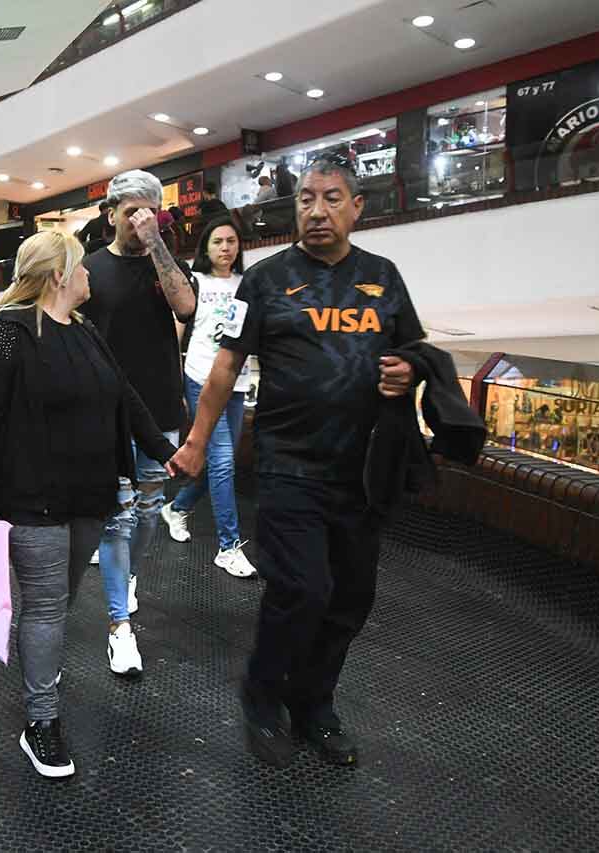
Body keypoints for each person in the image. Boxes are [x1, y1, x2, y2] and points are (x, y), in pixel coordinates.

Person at [168, 154, 422, 769]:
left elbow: (413, 349)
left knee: (350, 597)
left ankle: (315, 703)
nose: (316, 210)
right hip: (288, 466)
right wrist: (198, 441)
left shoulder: (384, 278)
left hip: (359, 471)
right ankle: (262, 696)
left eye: (331, 198)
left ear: (356, 207)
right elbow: (226, 365)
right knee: (302, 590)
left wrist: (409, 371)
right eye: (306, 198)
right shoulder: (267, 280)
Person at [0, 231, 177, 779]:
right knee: (45, 605)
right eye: (82, 269)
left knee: (60, 599)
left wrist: (165, 453)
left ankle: (42, 673)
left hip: (91, 495)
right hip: (32, 499)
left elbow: (125, 396)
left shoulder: (84, 331)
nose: (89, 277)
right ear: (59, 275)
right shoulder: (7, 335)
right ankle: (41, 721)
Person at [81, 169, 196, 677]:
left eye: (150, 210)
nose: (142, 219)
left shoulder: (167, 262)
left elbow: (186, 306)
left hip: (159, 408)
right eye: (132, 211)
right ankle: (119, 627)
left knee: (149, 511)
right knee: (116, 517)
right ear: (111, 215)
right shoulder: (87, 268)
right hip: (104, 412)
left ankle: (126, 578)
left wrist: (157, 244)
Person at [161, 214, 257, 578]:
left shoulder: (248, 283)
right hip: (200, 376)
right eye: (218, 242)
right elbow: (176, 333)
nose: (225, 248)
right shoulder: (195, 282)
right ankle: (228, 546)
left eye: (231, 241)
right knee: (222, 462)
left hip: (237, 383)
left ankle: (177, 507)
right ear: (206, 247)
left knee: (219, 460)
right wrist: (174, 382)